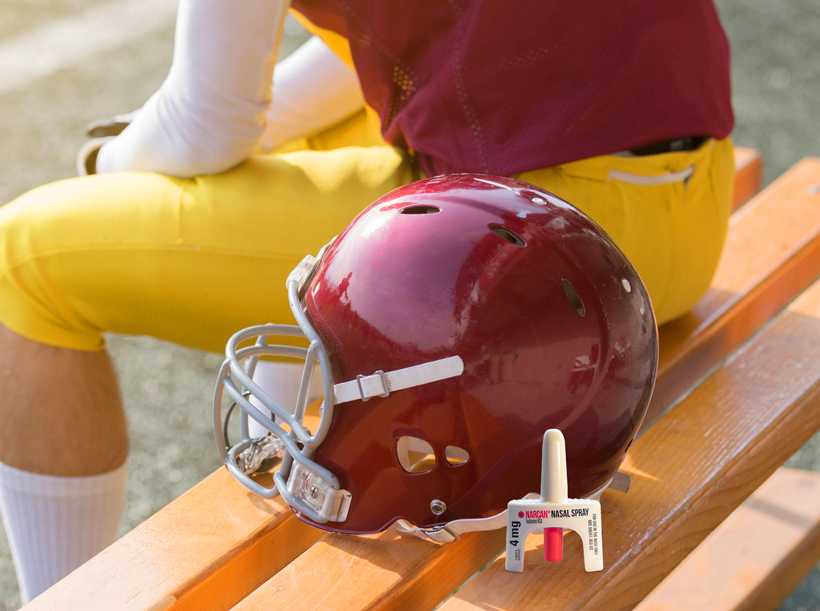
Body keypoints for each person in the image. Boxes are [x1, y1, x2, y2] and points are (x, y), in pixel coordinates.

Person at [0, 0, 734, 602]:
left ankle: (68, 594)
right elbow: (399, 42)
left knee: (22, 261)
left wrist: (106, 163)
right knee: (291, 148)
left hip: (538, 250)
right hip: (687, 212)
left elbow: (205, 124)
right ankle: (292, 472)